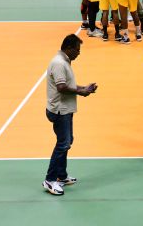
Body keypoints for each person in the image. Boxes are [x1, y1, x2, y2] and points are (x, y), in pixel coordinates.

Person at [42, 34, 97, 196]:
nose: (79, 53)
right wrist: (81, 92)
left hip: (65, 109)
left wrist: (83, 88)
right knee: (63, 143)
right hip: (60, 110)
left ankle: (61, 175)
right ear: (69, 48)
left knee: (67, 141)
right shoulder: (59, 63)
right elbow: (61, 88)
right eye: (77, 50)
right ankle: (50, 180)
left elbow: (68, 85)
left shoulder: (64, 61)